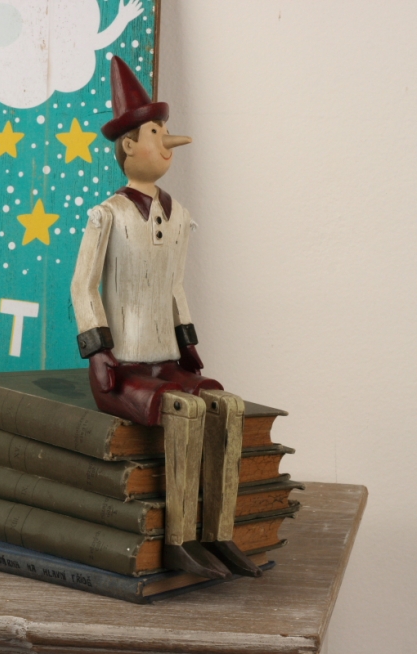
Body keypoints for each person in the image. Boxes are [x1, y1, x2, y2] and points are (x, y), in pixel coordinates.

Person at [70, 56, 260, 579]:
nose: (167, 142)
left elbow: (175, 285)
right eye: (156, 133)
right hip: (123, 368)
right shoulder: (107, 215)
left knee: (227, 405)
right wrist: (99, 351)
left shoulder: (180, 218)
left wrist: (188, 342)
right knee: (187, 410)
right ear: (129, 146)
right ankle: (177, 539)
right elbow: (83, 286)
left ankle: (217, 531)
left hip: (166, 360)